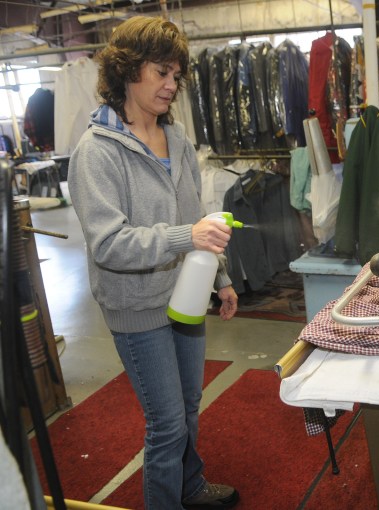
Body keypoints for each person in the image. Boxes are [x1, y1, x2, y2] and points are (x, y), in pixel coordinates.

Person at [67, 16, 239, 510]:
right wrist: (188, 236)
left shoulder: (177, 138)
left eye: (176, 75)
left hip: (185, 292)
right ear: (127, 70)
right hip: (136, 306)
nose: (171, 85)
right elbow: (109, 244)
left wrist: (220, 279)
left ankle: (190, 486)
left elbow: (193, 216)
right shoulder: (96, 152)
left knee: (187, 407)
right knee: (165, 423)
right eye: (161, 72)